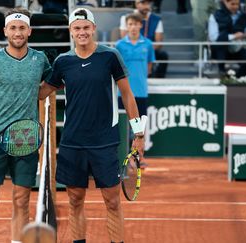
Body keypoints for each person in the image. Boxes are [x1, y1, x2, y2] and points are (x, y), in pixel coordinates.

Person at [39, 8, 145, 243]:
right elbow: (42, 92)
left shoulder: (110, 56)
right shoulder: (63, 61)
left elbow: (127, 96)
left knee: (113, 201)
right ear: (71, 31)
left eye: (86, 27)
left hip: (104, 142)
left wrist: (138, 133)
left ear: (93, 29)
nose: (82, 32)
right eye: (77, 28)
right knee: (75, 200)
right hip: (73, 142)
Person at [0, 8, 52, 243]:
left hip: (26, 140)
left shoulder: (40, 60)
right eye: (13, 28)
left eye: (22, 28)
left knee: (22, 200)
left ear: (29, 31)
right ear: (5, 31)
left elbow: (43, 91)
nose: (18, 32)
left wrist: (56, 84)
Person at [116, 13, 155, 169]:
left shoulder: (148, 44)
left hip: (141, 92)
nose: (133, 27)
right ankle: (124, 160)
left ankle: (139, 158)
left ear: (141, 25)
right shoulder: (119, 45)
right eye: (130, 24)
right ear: (127, 26)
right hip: (123, 94)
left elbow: (149, 67)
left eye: (136, 24)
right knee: (124, 128)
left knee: (140, 129)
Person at [120, 0, 168, 78]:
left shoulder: (156, 19)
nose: (146, 6)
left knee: (163, 55)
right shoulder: (126, 18)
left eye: (148, 3)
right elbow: (124, 38)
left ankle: (157, 78)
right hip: (131, 49)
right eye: (143, 3)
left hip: (150, 49)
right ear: (136, 4)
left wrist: (145, 48)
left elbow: (159, 43)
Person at [208, 0, 246, 77]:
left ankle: (238, 78)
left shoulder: (243, 16)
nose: (235, 7)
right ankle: (223, 74)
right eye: (232, 4)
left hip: (238, 48)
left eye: (237, 4)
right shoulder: (215, 16)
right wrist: (234, 36)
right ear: (225, 2)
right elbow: (214, 38)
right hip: (221, 50)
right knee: (222, 44)